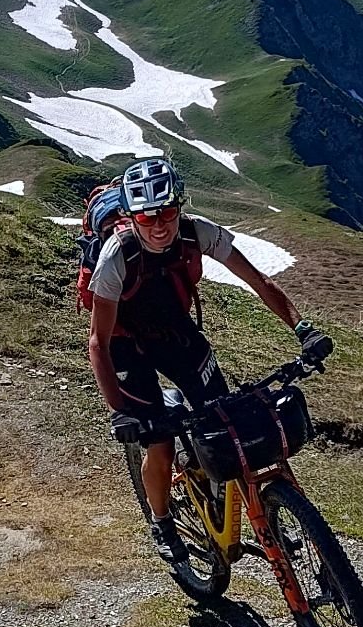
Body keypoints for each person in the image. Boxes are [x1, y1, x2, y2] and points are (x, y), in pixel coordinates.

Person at [86, 155, 324, 567]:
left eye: (167, 213)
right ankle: (162, 523)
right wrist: (118, 412)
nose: (159, 225)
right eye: (146, 218)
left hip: (174, 330)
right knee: (158, 445)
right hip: (126, 345)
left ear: (180, 206)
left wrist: (303, 329)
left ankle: (251, 503)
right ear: (131, 218)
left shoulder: (199, 233)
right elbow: (98, 344)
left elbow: (259, 282)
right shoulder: (114, 257)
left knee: (226, 418)